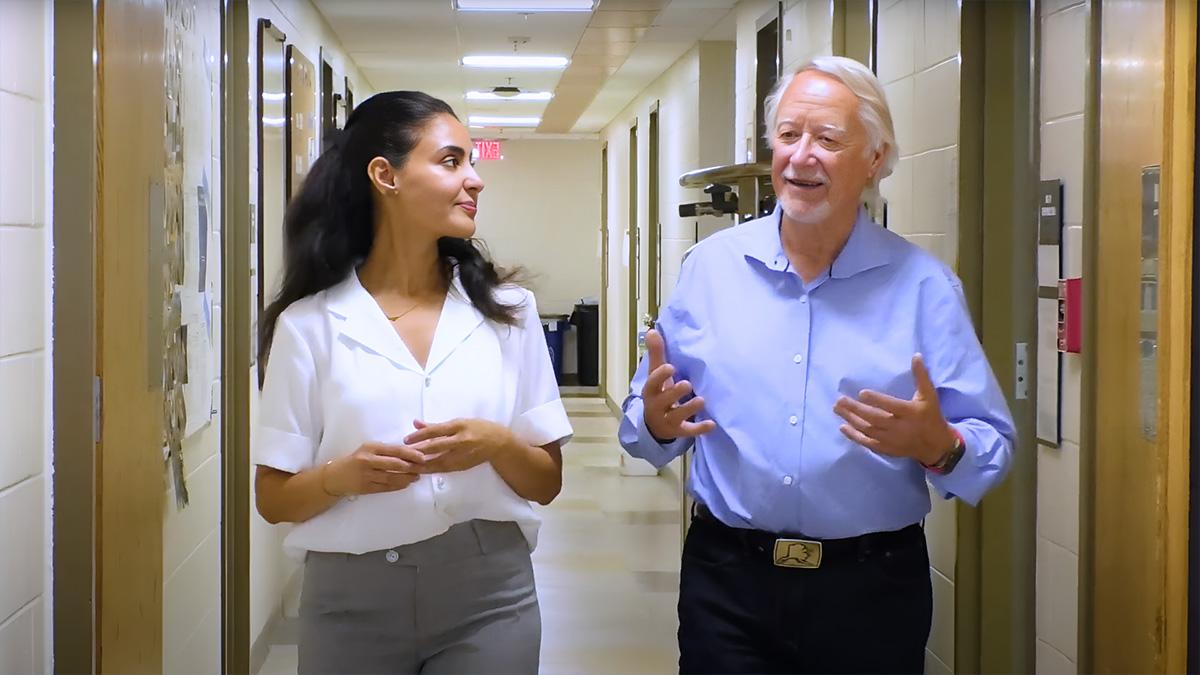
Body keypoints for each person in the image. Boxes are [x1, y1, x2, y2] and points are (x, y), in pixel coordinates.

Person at [619, 56, 1016, 674]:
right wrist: (657, 423)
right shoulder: (711, 270)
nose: (802, 156)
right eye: (788, 135)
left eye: (828, 139)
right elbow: (643, 426)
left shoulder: (924, 289)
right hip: (729, 583)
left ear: (875, 159)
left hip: (872, 591)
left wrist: (939, 445)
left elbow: (990, 452)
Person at [254, 91, 571, 675]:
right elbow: (272, 497)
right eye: (452, 161)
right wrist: (341, 476)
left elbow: (547, 482)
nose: (476, 180)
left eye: (472, 161)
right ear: (385, 175)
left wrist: (496, 444)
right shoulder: (310, 325)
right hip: (349, 602)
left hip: (489, 595)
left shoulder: (510, 313)